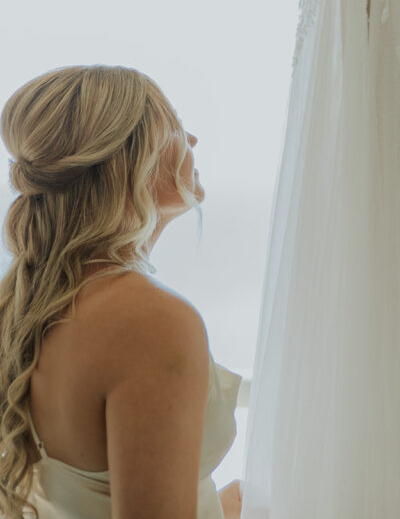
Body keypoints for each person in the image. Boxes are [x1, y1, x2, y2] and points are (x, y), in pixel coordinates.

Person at [0, 63, 242, 519]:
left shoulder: (27, 304)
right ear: (138, 158)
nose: (193, 142)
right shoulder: (151, 321)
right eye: (178, 125)